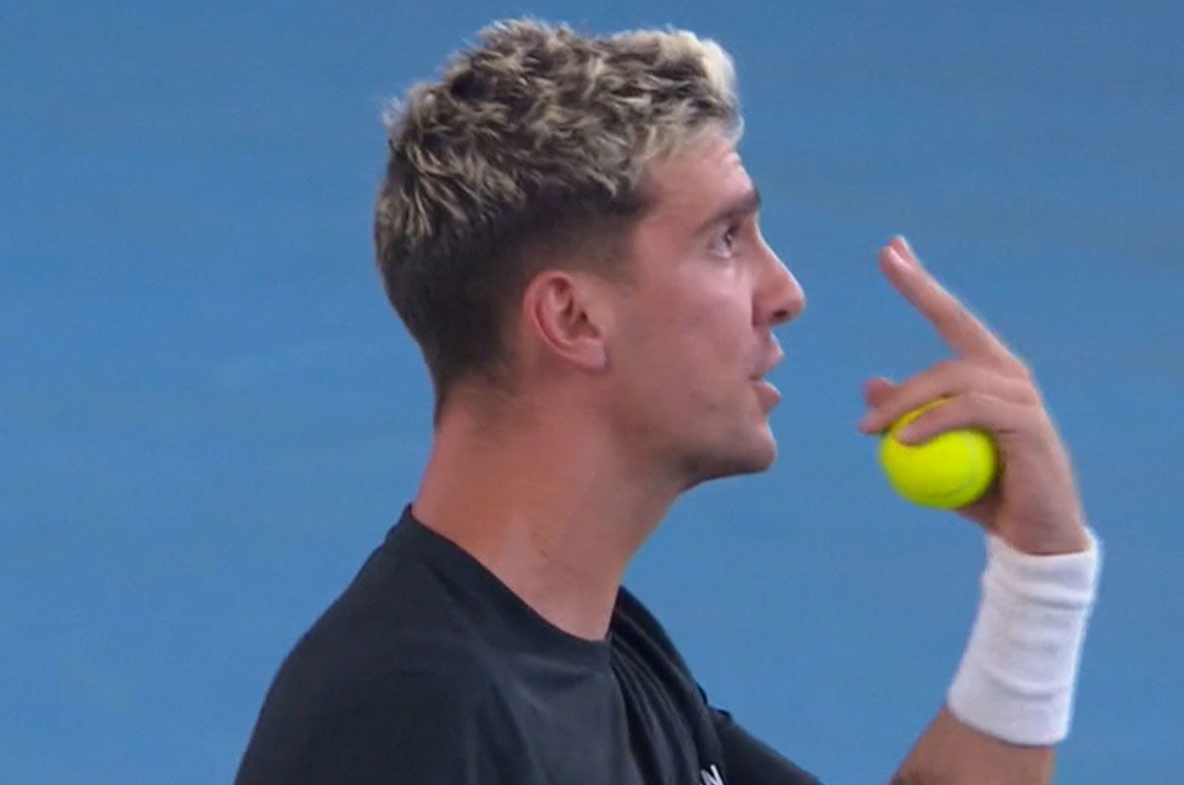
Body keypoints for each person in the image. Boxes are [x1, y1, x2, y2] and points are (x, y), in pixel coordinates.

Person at [233, 18, 1101, 785]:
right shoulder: (412, 722)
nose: (786, 289)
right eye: (725, 239)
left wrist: (1041, 571)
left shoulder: (609, 660)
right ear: (572, 317)